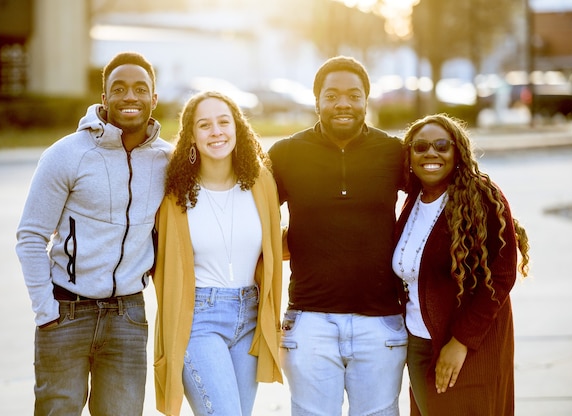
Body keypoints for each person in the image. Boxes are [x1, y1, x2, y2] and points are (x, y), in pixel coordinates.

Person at [15, 51, 173, 415]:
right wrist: (45, 312)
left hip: (128, 317)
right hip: (66, 311)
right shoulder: (68, 154)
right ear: (104, 99)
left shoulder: (167, 159)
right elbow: (31, 236)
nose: (129, 97)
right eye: (119, 89)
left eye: (139, 89)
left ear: (154, 98)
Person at [268, 55, 408, 416]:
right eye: (331, 96)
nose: (342, 103)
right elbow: (253, 215)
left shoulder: (393, 153)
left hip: (381, 324)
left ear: (366, 99)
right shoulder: (286, 154)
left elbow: (436, 203)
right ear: (317, 101)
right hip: (310, 321)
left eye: (353, 95)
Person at [152, 90, 283, 416]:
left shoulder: (260, 183)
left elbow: (274, 245)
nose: (216, 132)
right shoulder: (174, 193)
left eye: (224, 122)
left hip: (250, 318)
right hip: (198, 319)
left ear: (237, 128)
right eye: (205, 125)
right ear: (192, 137)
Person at [393, 113, 530, 415]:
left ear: (457, 152)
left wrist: (461, 342)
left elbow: (501, 276)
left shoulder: (482, 196)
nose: (431, 153)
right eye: (421, 147)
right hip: (419, 342)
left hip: (469, 346)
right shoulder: (413, 199)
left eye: (442, 146)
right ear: (409, 155)